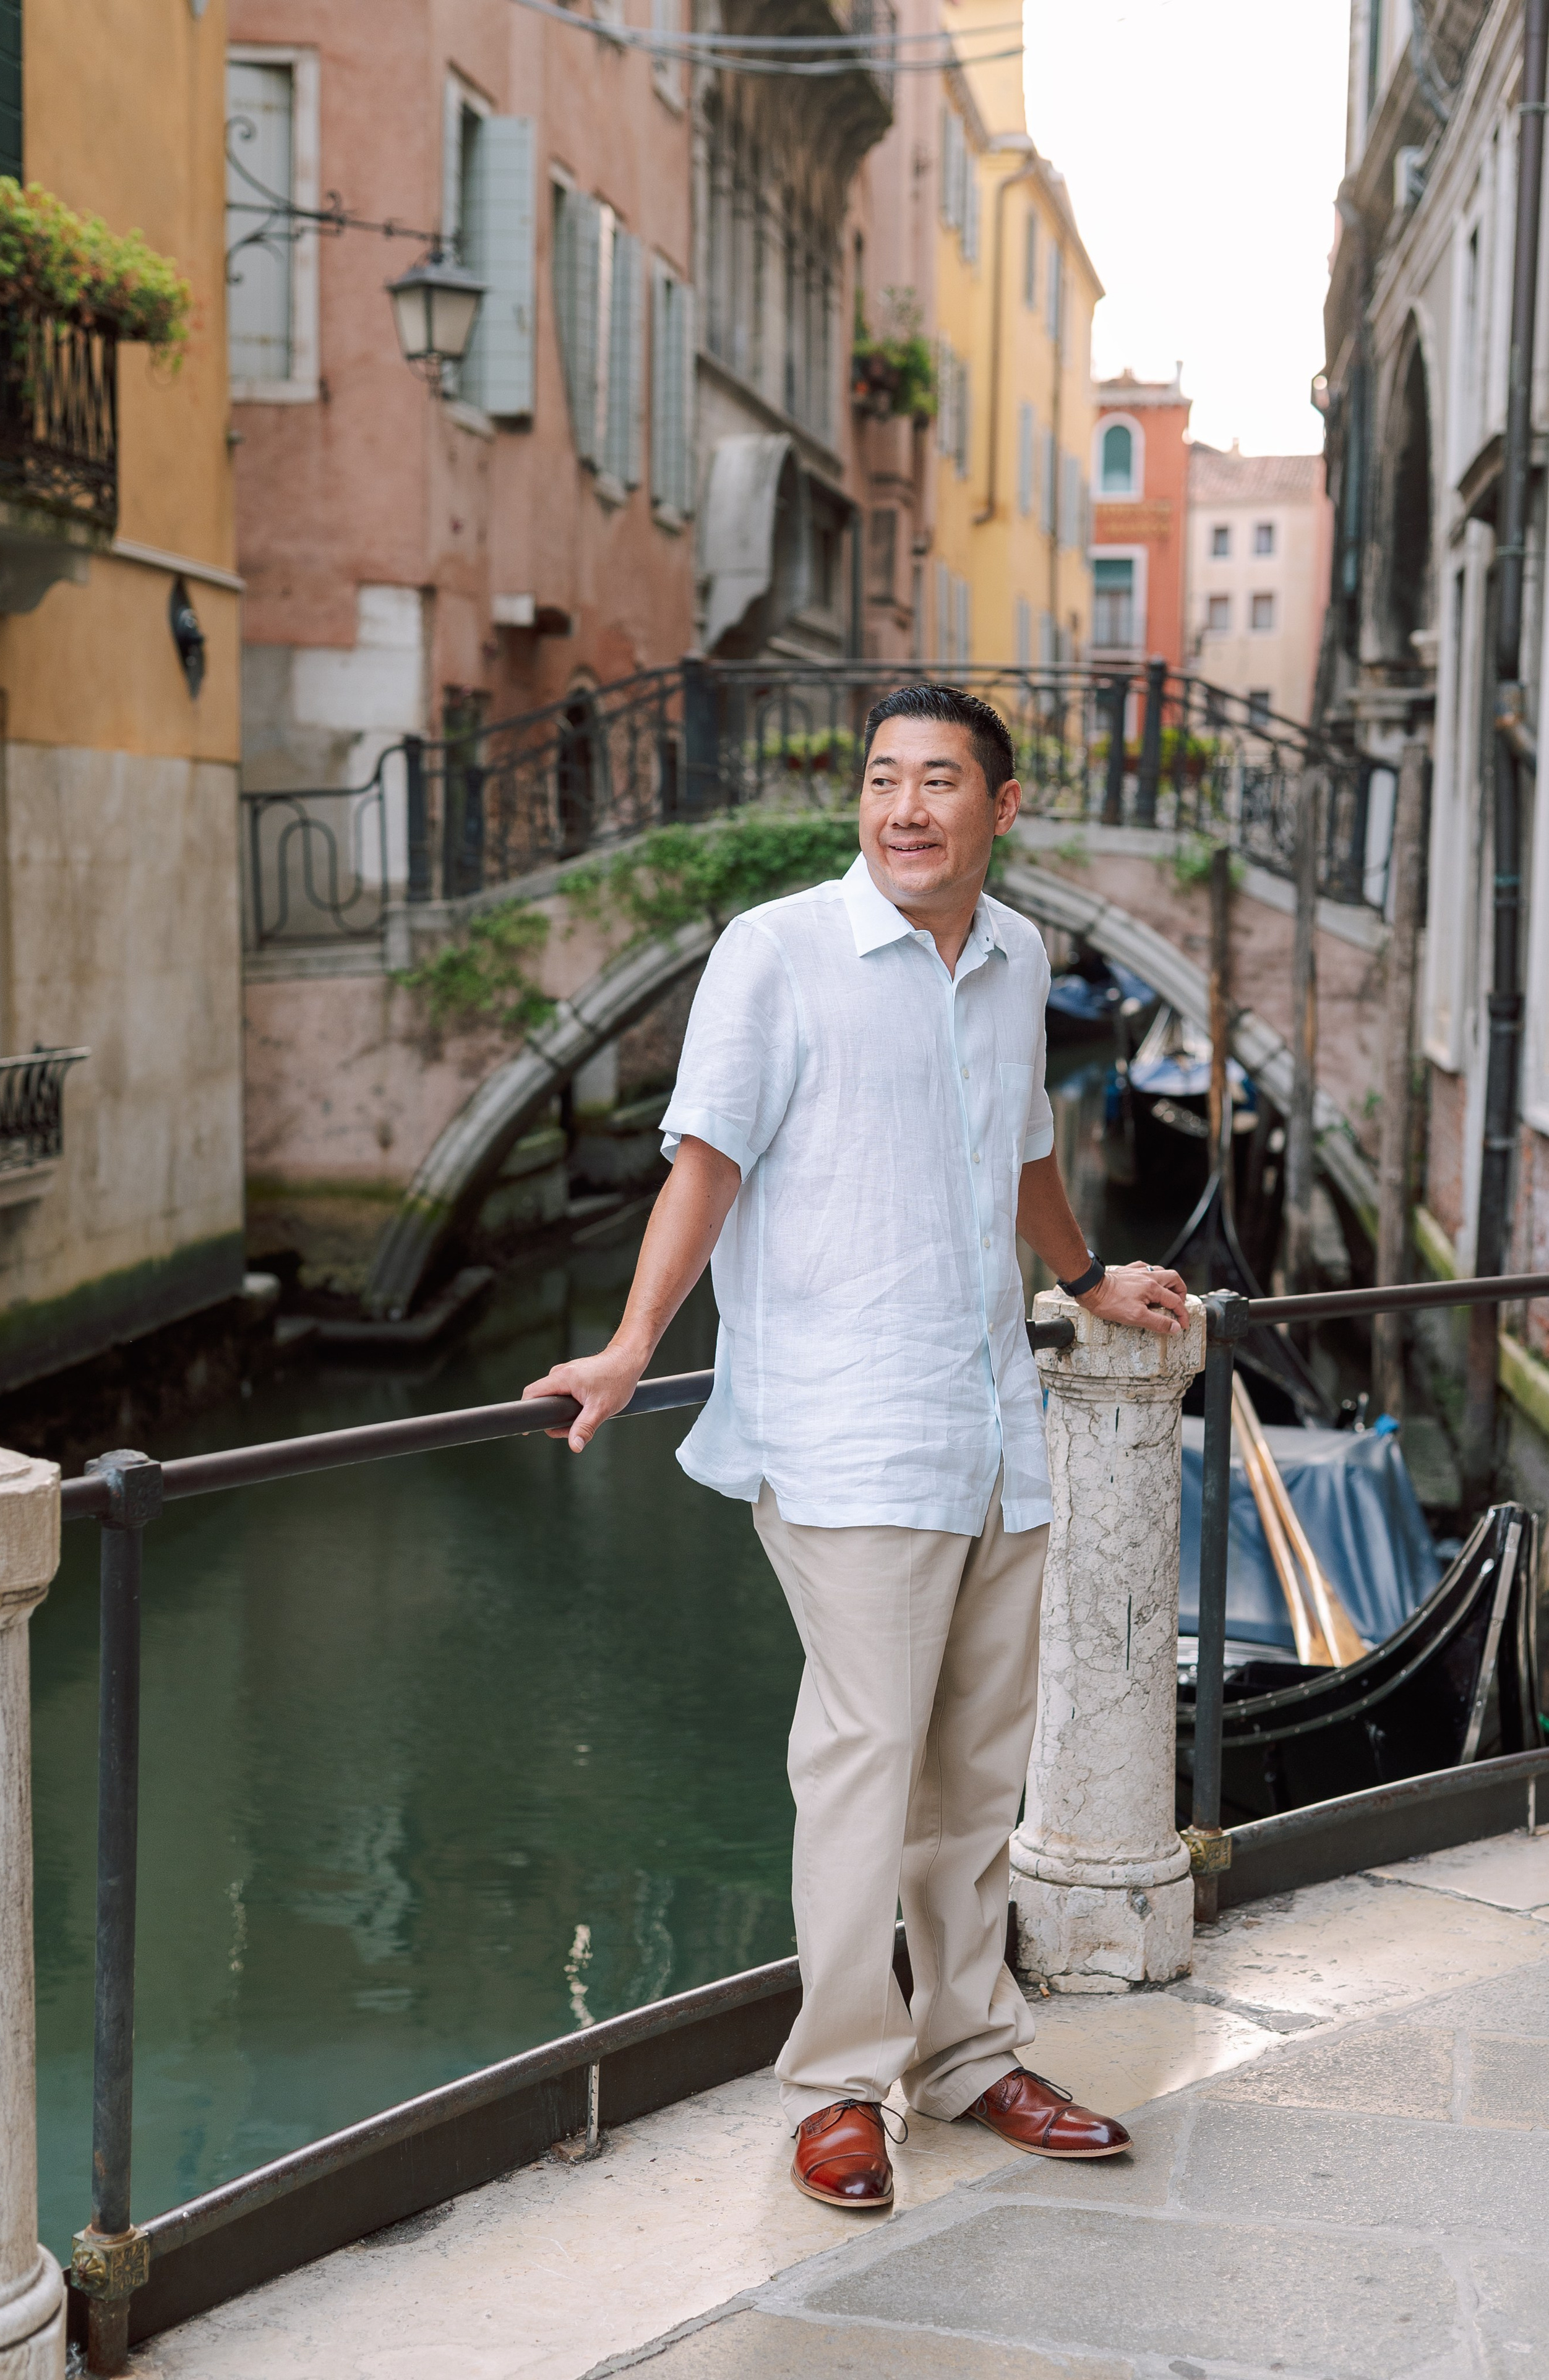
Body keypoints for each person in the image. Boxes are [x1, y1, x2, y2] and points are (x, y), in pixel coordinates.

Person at [524, 683, 1188, 2211]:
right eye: (883, 779)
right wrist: (633, 1346)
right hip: (846, 1430)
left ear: (997, 809)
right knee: (862, 1765)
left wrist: (1081, 1278)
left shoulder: (1019, 955)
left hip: (992, 1429)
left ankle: (967, 2052)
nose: (903, 808)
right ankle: (837, 2085)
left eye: (938, 781)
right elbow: (706, 1160)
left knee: (969, 1774)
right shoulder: (776, 952)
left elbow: (1022, 1140)